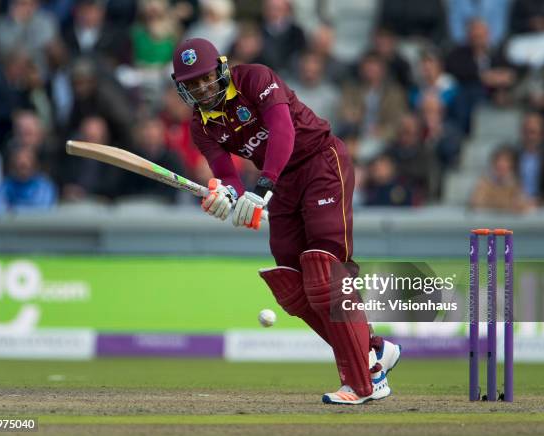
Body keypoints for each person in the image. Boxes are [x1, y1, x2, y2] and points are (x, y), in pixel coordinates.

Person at [170, 38, 401, 404]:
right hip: (283, 183)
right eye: (192, 83)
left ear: (221, 69)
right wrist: (226, 195)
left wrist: (262, 187)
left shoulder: (255, 79)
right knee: (293, 283)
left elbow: (283, 132)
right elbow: (227, 175)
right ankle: (373, 352)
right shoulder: (202, 126)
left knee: (326, 269)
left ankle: (364, 383)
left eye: (205, 77)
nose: (201, 87)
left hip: (320, 161)